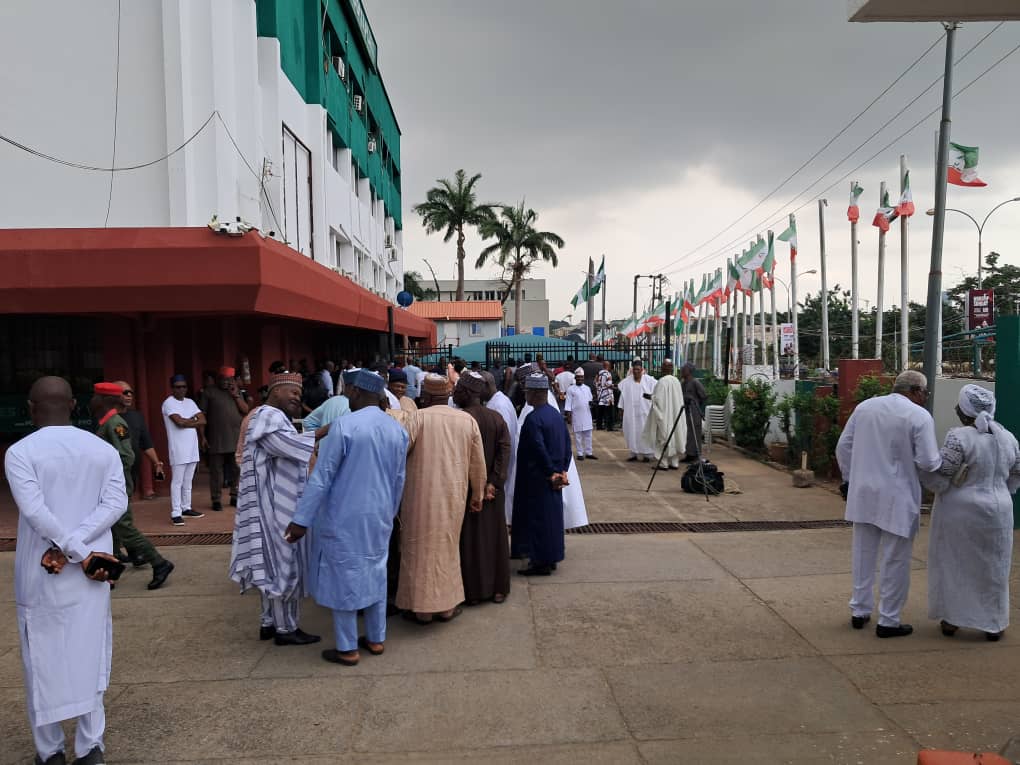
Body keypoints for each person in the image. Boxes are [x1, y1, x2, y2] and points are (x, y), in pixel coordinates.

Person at [6, 377, 128, 765]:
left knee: (41, 659)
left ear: (30, 408)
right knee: (90, 650)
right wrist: (81, 547)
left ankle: (50, 751)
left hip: (43, 571)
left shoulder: (20, 452)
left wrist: (68, 546)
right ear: (74, 404)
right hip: (94, 569)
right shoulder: (101, 449)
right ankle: (90, 748)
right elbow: (115, 504)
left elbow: (34, 511)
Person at [288, 370, 408, 666]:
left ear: (354, 392)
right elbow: (399, 479)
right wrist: (390, 514)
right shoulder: (396, 429)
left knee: (344, 576)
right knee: (375, 572)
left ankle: (347, 648)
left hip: (345, 516)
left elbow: (322, 478)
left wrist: (301, 519)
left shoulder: (344, 426)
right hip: (380, 515)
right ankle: (377, 639)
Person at [836, 369, 941, 638]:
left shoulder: (865, 407)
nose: (925, 398)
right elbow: (929, 462)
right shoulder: (919, 416)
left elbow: (843, 446)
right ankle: (889, 620)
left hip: (863, 493)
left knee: (863, 553)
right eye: (924, 393)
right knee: (895, 559)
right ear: (916, 391)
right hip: (898, 496)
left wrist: (849, 480)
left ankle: (859, 611)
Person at [230, 372, 330, 646]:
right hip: (276, 507)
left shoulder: (270, 417)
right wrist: (326, 429)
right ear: (274, 392)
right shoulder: (267, 416)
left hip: (271, 505)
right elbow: (289, 446)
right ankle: (286, 629)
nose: (297, 398)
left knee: (270, 565)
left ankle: (269, 623)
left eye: (299, 393)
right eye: (292, 392)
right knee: (285, 564)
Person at [923, 385, 1020, 641]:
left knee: (957, 563)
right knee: (995, 567)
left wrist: (924, 472)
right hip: (1000, 510)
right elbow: (1017, 472)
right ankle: (994, 623)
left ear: (963, 411)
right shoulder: (1007, 437)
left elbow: (944, 471)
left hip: (961, 510)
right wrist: (1001, 490)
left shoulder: (959, 437)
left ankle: (953, 619)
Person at [396, 374, 486, 624]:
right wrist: (477, 494)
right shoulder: (466, 421)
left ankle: (422, 611)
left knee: (417, 550)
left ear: (425, 395)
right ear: (448, 395)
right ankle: (446, 608)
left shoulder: (417, 419)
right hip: (453, 498)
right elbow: (478, 464)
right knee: (447, 550)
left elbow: (397, 456)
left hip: (418, 498)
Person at [91, 383, 175, 589]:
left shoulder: (115, 424)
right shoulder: (107, 422)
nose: (91, 400)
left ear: (104, 401)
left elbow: (127, 456)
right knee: (111, 527)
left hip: (116, 485)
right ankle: (110, 574)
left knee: (123, 527)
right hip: (111, 485)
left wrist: (108, 475)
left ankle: (160, 563)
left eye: (95, 397)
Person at [453, 372, 512, 605]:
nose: (454, 392)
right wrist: (494, 482)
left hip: (467, 490)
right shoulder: (496, 418)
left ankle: (474, 592)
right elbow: (504, 451)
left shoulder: (460, 419)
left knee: (470, 541)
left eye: (457, 388)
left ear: (468, 392)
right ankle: (499, 589)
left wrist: (479, 484)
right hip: (492, 490)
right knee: (495, 538)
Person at [511, 373, 572, 576]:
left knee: (538, 520)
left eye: (527, 392)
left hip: (538, 479)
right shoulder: (555, 415)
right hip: (554, 478)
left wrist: (550, 472)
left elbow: (538, 448)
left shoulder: (533, 418)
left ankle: (540, 562)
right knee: (552, 520)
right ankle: (552, 556)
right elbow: (567, 445)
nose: (525, 395)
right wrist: (562, 470)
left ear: (535, 393)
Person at [199, 366, 249, 511]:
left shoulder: (236, 392)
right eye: (223, 379)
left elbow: (245, 410)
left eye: (228, 379)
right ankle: (216, 499)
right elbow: (201, 415)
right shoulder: (209, 392)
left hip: (235, 438)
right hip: (216, 438)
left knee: (235, 469)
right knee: (216, 472)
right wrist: (202, 436)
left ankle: (234, 496)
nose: (225, 382)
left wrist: (236, 395)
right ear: (218, 379)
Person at [161, 375, 206, 526]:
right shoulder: (168, 403)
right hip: (178, 449)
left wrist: (188, 421)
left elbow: (203, 420)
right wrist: (193, 421)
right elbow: (178, 422)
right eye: (178, 387)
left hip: (192, 448)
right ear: (172, 388)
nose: (181, 389)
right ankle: (176, 513)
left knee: (188, 481)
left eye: (184, 387)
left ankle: (186, 508)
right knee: (177, 482)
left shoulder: (190, 402)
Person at [115, 381, 162, 501]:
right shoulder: (109, 419)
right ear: (114, 395)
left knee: (127, 500)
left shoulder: (137, 416)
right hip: (115, 470)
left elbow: (146, 443)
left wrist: (157, 463)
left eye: (131, 392)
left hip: (132, 470)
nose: (129, 395)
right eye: (125, 392)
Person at [484, 371, 520, 524]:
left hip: (502, 464)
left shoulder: (499, 405)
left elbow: (501, 441)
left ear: (486, 386)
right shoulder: (498, 401)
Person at [643, 359, 687, 470]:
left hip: (666, 416)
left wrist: (650, 397)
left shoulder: (662, 381)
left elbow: (659, 401)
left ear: (663, 369)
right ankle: (674, 462)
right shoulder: (676, 381)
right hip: (675, 414)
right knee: (675, 435)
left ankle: (663, 463)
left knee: (663, 436)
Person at [617, 360, 657, 462]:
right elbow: (623, 397)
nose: (636, 372)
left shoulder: (649, 381)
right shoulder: (626, 382)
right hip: (631, 413)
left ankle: (647, 454)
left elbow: (657, 393)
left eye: (638, 370)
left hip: (645, 413)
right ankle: (634, 453)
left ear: (642, 370)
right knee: (632, 431)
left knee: (645, 432)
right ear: (632, 370)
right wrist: (621, 410)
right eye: (634, 369)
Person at [565, 369, 596, 461]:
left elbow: (590, 400)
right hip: (576, 415)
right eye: (578, 377)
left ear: (584, 378)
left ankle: (589, 453)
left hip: (587, 414)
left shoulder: (587, 388)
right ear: (575, 378)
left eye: (581, 377)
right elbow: (568, 403)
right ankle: (580, 453)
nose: (579, 379)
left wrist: (592, 404)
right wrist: (568, 416)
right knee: (578, 435)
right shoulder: (570, 389)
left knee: (588, 434)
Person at [680, 362, 708, 461]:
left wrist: (697, 405)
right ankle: (689, 454)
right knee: (687, 433)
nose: (682, 370)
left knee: (695, 432)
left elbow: (704, 396)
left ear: (689, 371)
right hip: (685, 411)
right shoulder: (683, 383)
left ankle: (696, 455)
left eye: (684, 369)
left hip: (694, 411)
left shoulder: (695, 382)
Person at [595, 360, 617, 432]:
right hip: (608, 396)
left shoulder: (598, 373)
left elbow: (595, 383)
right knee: (610, 412)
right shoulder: (608, 374)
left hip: (600, 395)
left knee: (600, 411)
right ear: (608, 366)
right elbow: (609, 385)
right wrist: (615, 386)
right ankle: (610, 427)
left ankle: (599, 426)